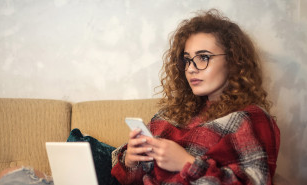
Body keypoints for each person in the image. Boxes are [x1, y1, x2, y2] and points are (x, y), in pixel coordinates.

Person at [111, 9, 280, 184]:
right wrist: (131, 161)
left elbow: (256, 181)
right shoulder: (170, 114)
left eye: (203, 57)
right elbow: (130, 177)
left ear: (233, 61)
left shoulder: (249, 119)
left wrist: (187, 163)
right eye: (187, 60)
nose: (191, 68)